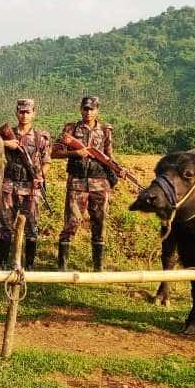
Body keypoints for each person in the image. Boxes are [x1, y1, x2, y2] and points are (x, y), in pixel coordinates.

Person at [51, 96, 116, 272]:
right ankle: (62, 268)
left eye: (92, 109)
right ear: (81, 109)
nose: (88, 112)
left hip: (99, 184)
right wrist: (75, 153)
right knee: (71, 223)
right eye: (85, 109)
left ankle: (98, 268)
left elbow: (109, 158)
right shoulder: (71, 129)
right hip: (77, 182)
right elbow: (54, 152)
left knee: (99, 223)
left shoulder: (105, 130)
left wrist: (116, 172)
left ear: (97, 111)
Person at [0, 99, 51, 270]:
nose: (24, 115)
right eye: (21, 112)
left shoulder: (40, 137)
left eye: (28, 112)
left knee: (32, 227)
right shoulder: (7, 134)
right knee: (5, 226)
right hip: (9, 186)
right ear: (16, 113)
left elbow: (47, 161)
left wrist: (40, 176)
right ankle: (3, 264)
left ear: (33, 113)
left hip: (31, 188)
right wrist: (6, 143)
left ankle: (29, 265)